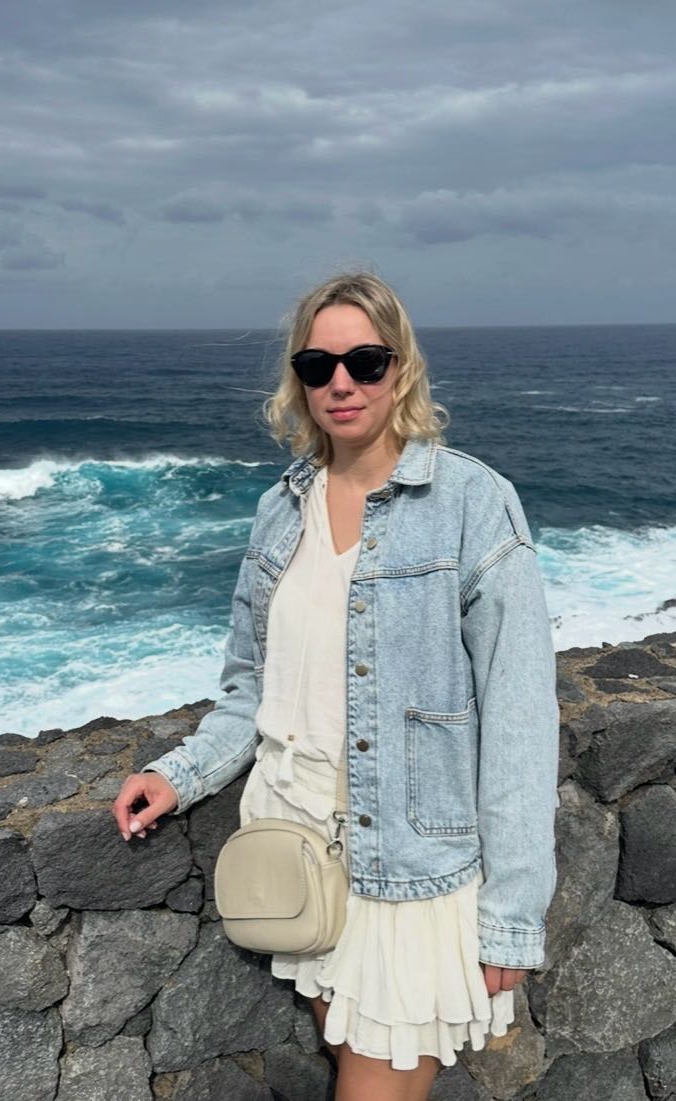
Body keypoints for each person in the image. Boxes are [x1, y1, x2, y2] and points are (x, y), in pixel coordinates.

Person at [113, 271, 560, 1101]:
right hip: (294, 852)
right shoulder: (279, 511)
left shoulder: (471, 502)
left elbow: (521, 716)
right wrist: (180, 772)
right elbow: (251, 688)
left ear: (402, 368)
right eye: (318, 366)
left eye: (365, 361)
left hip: (407, 878)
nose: (342, 383)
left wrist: (512, 912)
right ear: (299, 380)